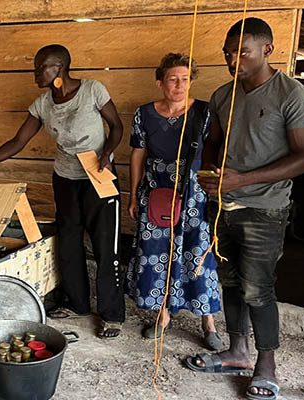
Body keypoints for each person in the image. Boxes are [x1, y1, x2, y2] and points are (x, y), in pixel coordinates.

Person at [184, 18, 304, 400]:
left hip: (266, 207)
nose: (233, 60)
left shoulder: (292, 94)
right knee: (229, 281)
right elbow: (212, 141)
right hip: (224, 204)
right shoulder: (223, 95)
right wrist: (210, 173)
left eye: (242, 52)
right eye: (228, 53)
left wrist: (242, 179)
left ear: (267, 50)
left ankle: (266, 365)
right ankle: (237, 351)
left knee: (258, 289)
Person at [0, 44, 125, 339]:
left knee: (105, 245)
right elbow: (17, 142)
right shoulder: (42, 104)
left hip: (99, 176)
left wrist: (107, 153)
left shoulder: (93, 90)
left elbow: (117, 127)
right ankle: (78, 304)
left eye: (40, 68)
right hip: (65, 178)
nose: (35, 74)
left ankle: (111, 315)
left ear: (59, 69)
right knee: (69, 243)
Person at [125, 53, 224, 350]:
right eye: (172, 79)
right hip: (156, 193)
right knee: (156, 254)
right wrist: (133, 194)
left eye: (185, 79)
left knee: (198, 255)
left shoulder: (205, 113)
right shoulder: (144, 114)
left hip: (195, 194)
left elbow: (216, 150)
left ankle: (208, 322)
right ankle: (163, 315)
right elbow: (138, 154)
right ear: (160, 83)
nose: (179, 85)